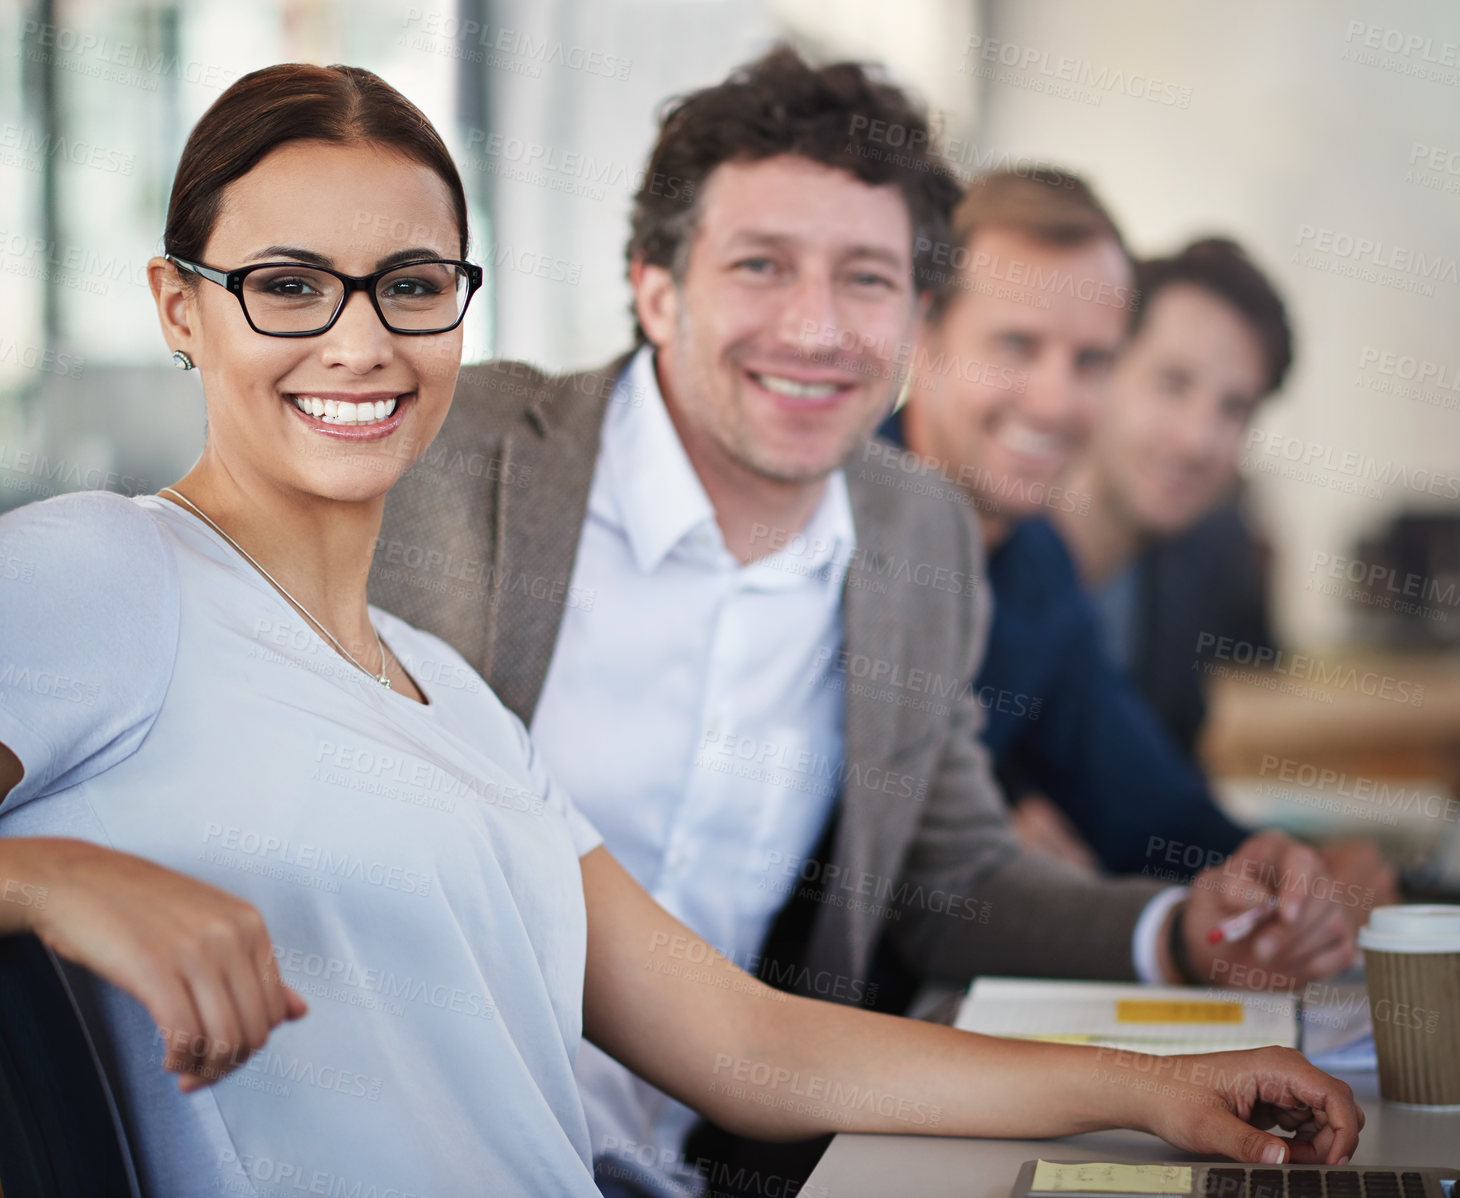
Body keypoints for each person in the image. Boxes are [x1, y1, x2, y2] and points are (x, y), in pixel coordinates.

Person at [0, 63, 1366, 1198]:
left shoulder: (457, 704)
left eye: (411, 284)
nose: (358, 340)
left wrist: (1167, 1093)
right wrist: (50, 874)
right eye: (288, 284)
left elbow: (746, 1039)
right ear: (180, 307)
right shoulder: (108, 570)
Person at [894, 173, 1396, 901]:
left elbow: (1143, 806)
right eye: (1015, 345)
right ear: (922, 337)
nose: (1055, 399)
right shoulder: (824, 523)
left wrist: (1294, 876)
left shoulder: (1037, 566)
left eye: (1089, 361)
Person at [1051, 238, 1291, 763]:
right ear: (1102, 366)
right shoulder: (985, 542)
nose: (1197, 440)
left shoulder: (1205, 552)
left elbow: (1170, 782)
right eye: (1173, 384)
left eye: (1234, 408)